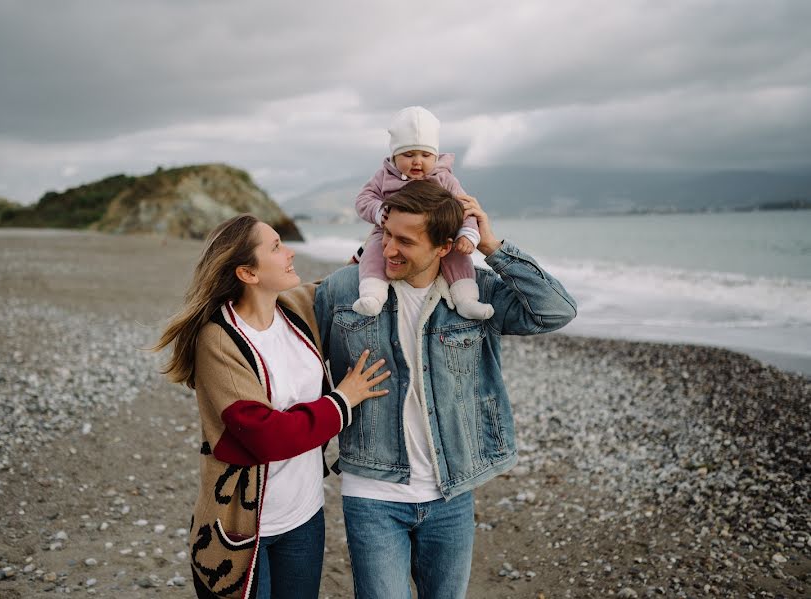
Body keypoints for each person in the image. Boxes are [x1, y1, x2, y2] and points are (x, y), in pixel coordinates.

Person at [314, 180, 577, 598]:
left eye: (406, 241)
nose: (389, 250)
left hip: (451, 491)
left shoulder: (476, 293)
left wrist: (492, 245)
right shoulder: (345, 291)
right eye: (386, 235)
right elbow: (301, 362)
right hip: (372, 490)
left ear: (444, 247)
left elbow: (556, 310)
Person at [154, 214, 391, 599]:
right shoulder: (218, 341)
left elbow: (346, 279)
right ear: (248, 273)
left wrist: (384, 231)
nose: (290, 252)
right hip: (241, 530)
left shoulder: (295, 308)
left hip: (305, 517)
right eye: (277, 247)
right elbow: (267, 436)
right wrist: (343, 400)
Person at [352, 105, 494, 320]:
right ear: (394, 155)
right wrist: (377, 210)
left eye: (426, 155)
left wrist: (468, 234)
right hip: (387, 228)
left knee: (458, 252)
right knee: (373, 250)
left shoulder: (444, 178)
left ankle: (466, 299)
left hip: (439, 233)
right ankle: (372, 294)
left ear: (435, 156)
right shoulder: (384, 176)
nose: (417, 161)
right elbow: (363, 199)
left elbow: (466, 208)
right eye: (408, 154)